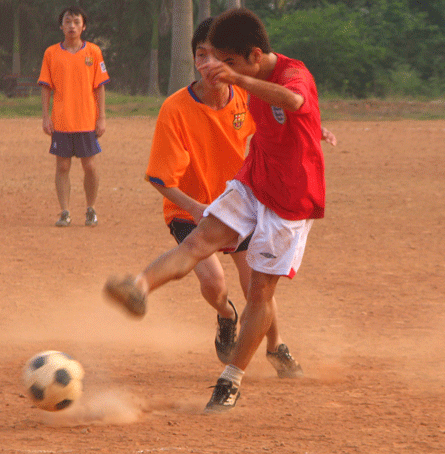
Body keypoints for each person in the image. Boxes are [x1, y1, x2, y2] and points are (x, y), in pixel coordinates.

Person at [104, 7, 327, 413]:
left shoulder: (288, 75)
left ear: (253, 57)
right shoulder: (200, 97)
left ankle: (233, 378)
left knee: (259, 290)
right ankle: (137, 288)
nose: (216, 68)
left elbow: (295, 99)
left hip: (291, 199)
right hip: (253, 181)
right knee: (201, 239)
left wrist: (241, 79)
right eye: (208, 58)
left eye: (227, 61)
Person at [38, 6, 110, 227]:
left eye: (76, 22)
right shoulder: (51, 53)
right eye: (67, 22)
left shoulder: (94, 52)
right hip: (61, 120)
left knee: (89, 166)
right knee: (62, 167)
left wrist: (102, 117)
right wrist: (45, 116)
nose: (72, 26)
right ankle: (65, 211)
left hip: (87, 119)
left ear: (83, 26)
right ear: (61, 26)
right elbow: (46, 87)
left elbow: (99, 87)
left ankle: (91, 208)